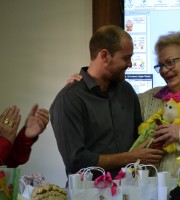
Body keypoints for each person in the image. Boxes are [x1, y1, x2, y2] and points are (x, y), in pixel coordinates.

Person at [66, 30, 180, 200]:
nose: (165, 70)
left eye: (170, 62)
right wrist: (82, 85)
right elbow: (106, 102)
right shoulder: (147, 100)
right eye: (161, 65)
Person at [50, 25, 164, 179]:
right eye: (125, 58)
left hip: (131, 191)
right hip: (89, 194)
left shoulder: (127, 91)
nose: (130, 64)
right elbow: (75, 160)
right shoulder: (69, 99)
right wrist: (129, 157)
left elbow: (138, 138)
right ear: (104, 55)